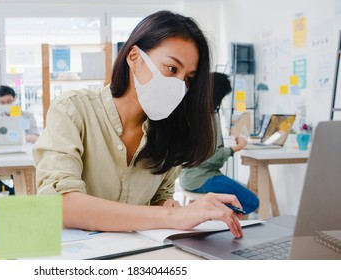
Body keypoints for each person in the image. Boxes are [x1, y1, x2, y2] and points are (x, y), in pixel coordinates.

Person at [33, 11, 243, 238]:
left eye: (187, 79)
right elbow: (60, 205)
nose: (179, 85)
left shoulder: (173, 131)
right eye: (172, 69)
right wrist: (173, 217)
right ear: (134, 57)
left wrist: (169, 207)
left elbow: (161, 198)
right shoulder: (73, 109)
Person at [179, 72, 259, 214]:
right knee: (252, 202)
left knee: (238, 193)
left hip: (189, 177)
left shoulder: (196, 113)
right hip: (201, 177)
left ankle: (210, 209)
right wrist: (236, 148)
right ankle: (212, 212)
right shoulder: (208, 118)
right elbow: (211, 157)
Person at [0, 85, 40, 195]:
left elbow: (36, 137)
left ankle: (15, 195)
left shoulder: (28, 116)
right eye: (3, 102)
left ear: (15, 98)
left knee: (21, 177)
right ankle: (12, 193)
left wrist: (21, 138)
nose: (6, 104)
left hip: (22, 157)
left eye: (9, 101)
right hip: (0, 158)